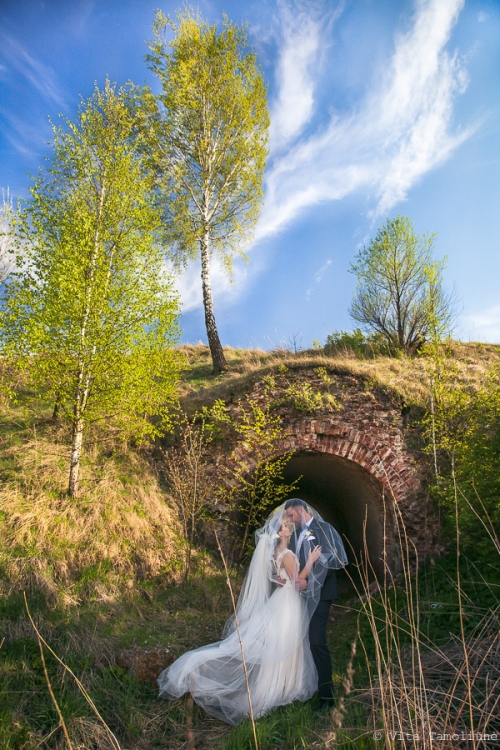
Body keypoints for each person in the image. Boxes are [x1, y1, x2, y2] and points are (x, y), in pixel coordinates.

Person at [157, 506, 324, 725]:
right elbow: (296, 580)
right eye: (285, 525)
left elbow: (276, 576)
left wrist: (278, 579)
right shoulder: (289, 555)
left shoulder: (276, 553)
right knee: (286, 644)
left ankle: (278, 685)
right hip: (288, 603)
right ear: (280, 533)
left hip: (280, 600)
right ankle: (281, 687)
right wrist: (311, 560)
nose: (288, 526)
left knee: (278, 644)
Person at [284, 498, 348, 709]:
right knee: (300, 640)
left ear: (301, 510)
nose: (291, 520)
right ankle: (304, 685)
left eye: (292, 515)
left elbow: (331, 561)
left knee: (316, 641)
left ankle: (327, 697)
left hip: (321, 594)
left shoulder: (324, 529)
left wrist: (309, 582)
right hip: (299, 596)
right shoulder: (295, 535)